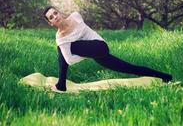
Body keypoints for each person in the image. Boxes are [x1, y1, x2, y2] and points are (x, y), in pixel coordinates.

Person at [43, 6, 172, 92]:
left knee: (64, 48)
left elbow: (83, 40)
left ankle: (61, 84)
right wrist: (88, 54)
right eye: (51, 17)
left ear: (59, 12)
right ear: (50, 23)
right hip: (96, 56)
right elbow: (69, 60)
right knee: (129, 68)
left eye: (55, 13)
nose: (55, 16)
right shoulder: (60, 37)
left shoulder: (76, 16)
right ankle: (165, 77)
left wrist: (84, 52)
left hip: (100, 46)